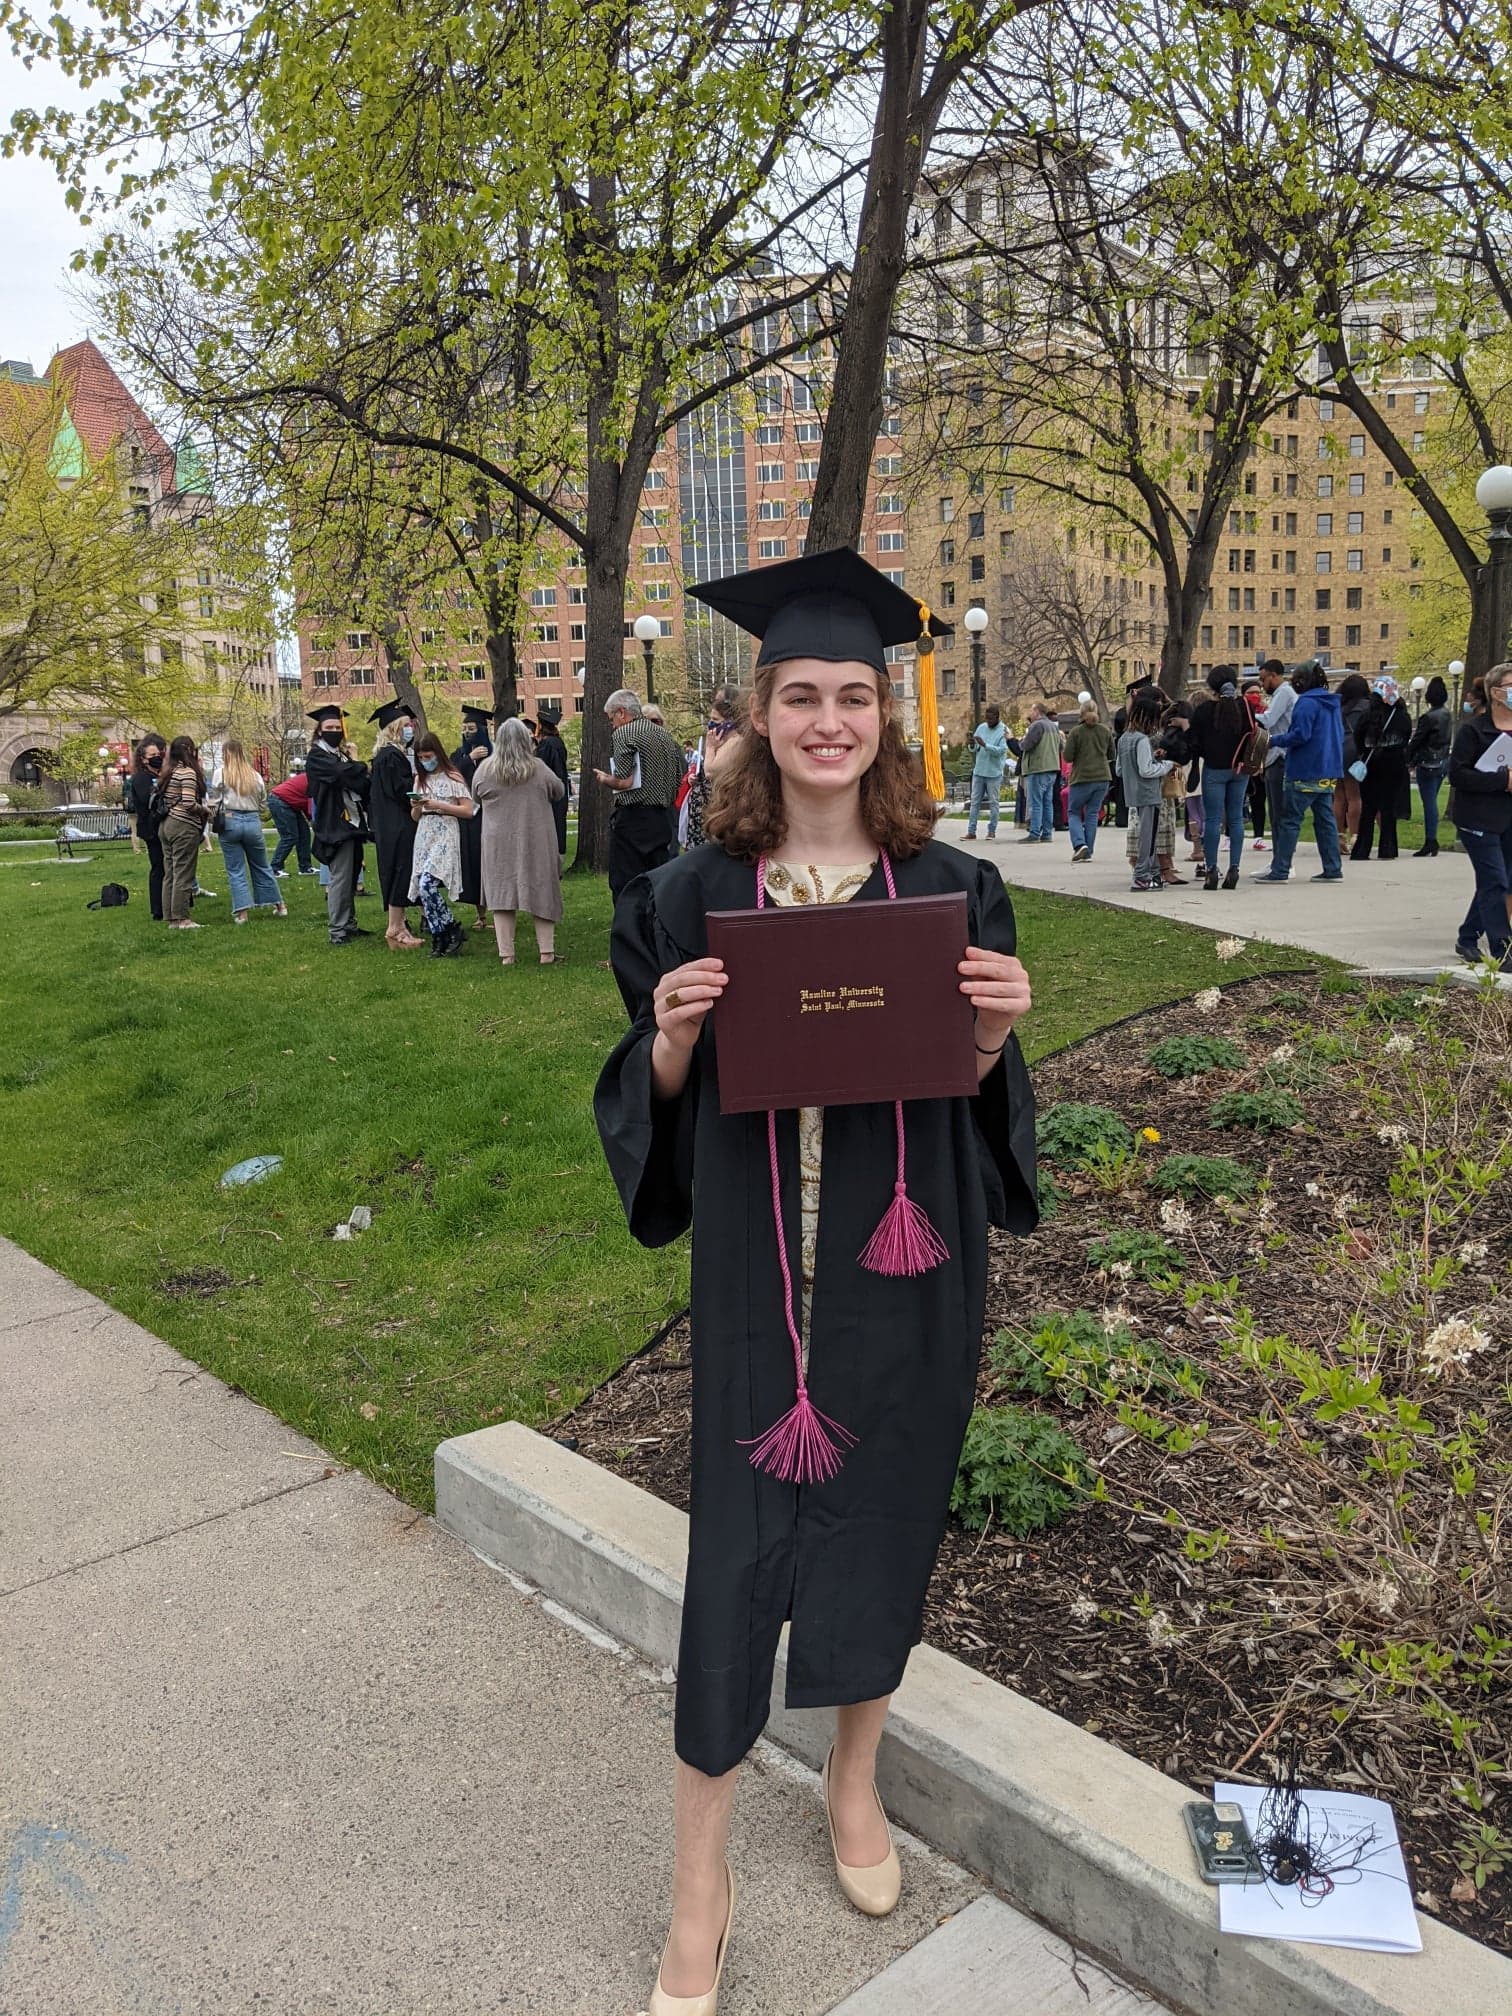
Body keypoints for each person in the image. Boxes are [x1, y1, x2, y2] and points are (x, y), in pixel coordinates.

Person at [596, 547, 1036, 2016]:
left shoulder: (959, 889)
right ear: (759, 713)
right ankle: (697, 1883)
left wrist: (990, 1035)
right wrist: (669, 1036)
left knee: (887, 1514)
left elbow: (984, 1099)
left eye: (854, 695)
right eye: (802, 695)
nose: (830, 719)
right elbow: (651, 1094)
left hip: (903, 1262)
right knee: (736, 1554)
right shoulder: (688, 891)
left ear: (882, 716)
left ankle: (854, 1780)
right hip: (756, 1268)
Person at [471, 716, 566, 965]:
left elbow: (475, 794)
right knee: (542, 891)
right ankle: (546, 952)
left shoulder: (485, 769)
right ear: (527, 741)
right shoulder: (538, 768)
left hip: (498, 844)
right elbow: (558, 790)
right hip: (536, 840)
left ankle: (507, 955)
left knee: (501, 897)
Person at [1255, 663, 1344, 883]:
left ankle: (1281, 870)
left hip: (1305, 769)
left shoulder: (1306, 703)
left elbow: (1300, 735)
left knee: (1289, 820)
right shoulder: (1331, 703)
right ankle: (1333, 868)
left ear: (1302, 681)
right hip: (1327, 769)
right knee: (1325, 821)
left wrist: (1272, 741)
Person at [1448, 666, 1512, 967]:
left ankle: (1468, 936)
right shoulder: (1473, 731)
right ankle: (1504, 950)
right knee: (1495, 881)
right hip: (1478, 818)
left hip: (1508, 817)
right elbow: (1459, 775)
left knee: (1498, 881)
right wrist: (1502, 780)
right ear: (1496, 692)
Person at [595, 688, 683, 901]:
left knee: (625, 882)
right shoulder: (664, 735)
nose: (612, 724)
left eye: (612, 718)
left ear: (622, 713)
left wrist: (606, 779)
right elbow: (678, 774)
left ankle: (629, 928)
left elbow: (624, 781)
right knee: (657, 879)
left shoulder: (624, 733)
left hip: (634, 819)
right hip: (662, 818)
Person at [306, 704, 371, 946]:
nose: (334, 731)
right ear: (320, 731)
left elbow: (361, 783)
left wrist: (354, 768)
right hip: (334, 824)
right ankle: (337, 931)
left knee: (353, 875)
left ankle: (349, 924)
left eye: (337, 727)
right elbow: (344, 774)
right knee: (341, 878)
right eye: (329, 727)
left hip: (352, 822)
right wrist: (357, 764)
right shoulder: (317, 756)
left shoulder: (339, 755)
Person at [409, 731, 475, 956]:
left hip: (445, 831)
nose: (425, 761)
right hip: (425, 833)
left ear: (437, 753)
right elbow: (415, 816)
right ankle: (441, 933)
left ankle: (448, 927)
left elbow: (468, 810)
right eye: (421, 758)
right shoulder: (420, 780)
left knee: (428, 882)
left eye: (428, 756)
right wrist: (417, 805)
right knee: (423, 887)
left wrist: (439, 805)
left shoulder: (452, 777)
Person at [1188, 666, 1253, 890]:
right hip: (1240, 769)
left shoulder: (1205, 710)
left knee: (1213, 820)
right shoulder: (1245, 708)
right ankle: (1234, 867)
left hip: (1214, 768)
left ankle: (1211, 868)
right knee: (1235, 819)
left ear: (1212, 686)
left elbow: (1194, 741)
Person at [367, 698, 423, 950]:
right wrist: (419, 788)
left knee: (397, 871)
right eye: (405, 725)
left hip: (388, 824)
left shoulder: (383, 756)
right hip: (398, 824)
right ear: (395, 728)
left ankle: (398, 925)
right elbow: (401, 790)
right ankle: (396, 928)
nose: (409, 729)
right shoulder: (392, 757)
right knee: (400, 871)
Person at [214, 741, 287, 924]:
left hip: (230, 820)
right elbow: (263, 802)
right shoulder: (254, 776)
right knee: (262, 865)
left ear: (225, 754)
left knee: (236, 869)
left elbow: (215, 800)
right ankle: (279, 905)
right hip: (253, 821)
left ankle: (242, 913)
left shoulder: (221, 773)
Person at [1116, 690, 1175, 892]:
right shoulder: (1142, 740)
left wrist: (1152, 759)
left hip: (1132, 791)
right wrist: (1166, 765)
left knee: (1147, 834)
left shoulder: (1124, 738)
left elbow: (1120, 769)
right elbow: (1146, 770)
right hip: (1148, 793)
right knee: (1148, 838)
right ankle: (1142, 875)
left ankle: (1153, 872)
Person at [1351, 676, 1412, 862]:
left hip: (1372, 762)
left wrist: (1366, 751)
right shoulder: (1402, 716)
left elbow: (1358, 737)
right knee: (1388, 808)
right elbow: (1406, 736)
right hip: (1394, 763)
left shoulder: (1367, 715)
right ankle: (1388, 848)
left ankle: (1362, 849)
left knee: (1368, 808)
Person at [157, 734, 210, 930]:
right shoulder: (187, 772)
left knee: (169, 872)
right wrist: (205, 810)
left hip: (166, 825)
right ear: (189, 750)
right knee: (183, 872)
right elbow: (188, 803)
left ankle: (171, 918)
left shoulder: (169, 771)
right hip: (183, 826)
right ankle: (183, 918)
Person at [449, 705, 493, 932]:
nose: (467, 732)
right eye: (464, 728)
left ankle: (499, 911)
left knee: (492, 863)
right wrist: (469, 758)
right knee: (474, 864)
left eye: (472, 728)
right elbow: (450, 776)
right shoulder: (459, 755)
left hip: (490, 816)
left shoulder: (495, 754)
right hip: (469, 819)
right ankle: (481, 913)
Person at [684, 689, 741, 851]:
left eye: (715, 720)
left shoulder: (735, 743)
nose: (711, 724)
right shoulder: (724, 743)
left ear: (729, 722)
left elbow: (710, 771)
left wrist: (710, 748)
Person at [1407, 675, 1453, 858]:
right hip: (1442, 760)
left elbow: (1417, 740)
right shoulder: (1447, 715)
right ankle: (1431, 838)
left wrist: (1408, 758)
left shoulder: (1428, 717)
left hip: (1427, 762)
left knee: (1429, 803)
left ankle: (1431, 839)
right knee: (1431, 800)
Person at [1062, 702, 1114, 861]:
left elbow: (1068, 756)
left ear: (1081, 713)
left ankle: (1079, 844)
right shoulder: (1105, 731)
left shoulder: (1076, 732)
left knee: (1074, 812)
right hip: (1102, 777)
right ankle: (1088, 850)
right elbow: (1112, 754)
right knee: (1092, 814)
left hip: (1082, 778)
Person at [127, 733, 167, 921]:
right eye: (152, 756)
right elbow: (146, 800)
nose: (156, 758)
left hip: (165, 826)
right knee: (158, 866)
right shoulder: (141, 778)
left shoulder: (162, 774)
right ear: (143, 759)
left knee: (170, 866)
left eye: (158, 754)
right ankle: (158, 908)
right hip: (151, 828)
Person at [1256, 659, 1294, 844]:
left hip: (1281, 755)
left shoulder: (1284, 692)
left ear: (1274, 675)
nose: (1262, 685)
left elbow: (1269, 720)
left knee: (1278, 810)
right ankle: (1279, 856)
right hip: (1275, 756)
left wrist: (1246, 713)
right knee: (1274, 810)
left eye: (1264, 679)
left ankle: (1282, 857)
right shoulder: (1281, 694)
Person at [1334, 673, 1372, 847]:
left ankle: (1338, 835)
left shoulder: (1338, 707)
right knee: (1355, 795)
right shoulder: (1367, 706)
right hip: (1355, 751)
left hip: (1337, 750)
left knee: (1339, 796)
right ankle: (1356, 835)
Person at [1016, 703, 1063, 842]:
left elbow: (1026, 745)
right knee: (1047, 802)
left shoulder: (1037, 726)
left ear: (1037, 711)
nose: (1031, 713)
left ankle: (1035, 832)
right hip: (1052, 768)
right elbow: (1061, 746)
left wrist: (1021, 740)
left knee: (1036, 803)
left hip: (1038, 768)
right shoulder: (1054, 727)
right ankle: (1047, 833)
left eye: (1032, 710)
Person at [965, 703, 1009, 840]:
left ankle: (992, 830)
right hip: (979, 770)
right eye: (986, 718)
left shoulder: (1004, 731)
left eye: (991, 719)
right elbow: (975, 749)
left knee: (993, 803)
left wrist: (985, 745)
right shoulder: (981, 728)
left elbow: (1001, 751)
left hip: (993, 772)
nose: (988, 721)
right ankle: (971, 831)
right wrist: (972, 745)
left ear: (997, 717)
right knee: (974, 802)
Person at [534, 708, 573, 862]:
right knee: (559, 823)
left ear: (541, 726)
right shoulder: (558, 742)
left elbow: (541, 767)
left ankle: (551, 859)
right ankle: (559, 856)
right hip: (560, 788)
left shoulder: (546, 744)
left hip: (549, 791)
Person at [268, 763, 315, 876]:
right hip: (280, 801)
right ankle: (274, 868)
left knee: (304, 833)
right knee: (289, 836)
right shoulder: (314, 782)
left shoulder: (311, 778)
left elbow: (307, 806)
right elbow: (311, 808)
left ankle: (305, 867)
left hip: (290, 803)